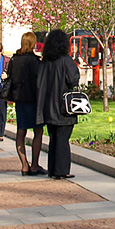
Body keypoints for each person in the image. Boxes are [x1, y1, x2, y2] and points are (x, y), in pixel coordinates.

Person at [36, 29, 81, 179]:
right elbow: (73, 80)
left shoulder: (45, 62)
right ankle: (62, 170)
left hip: (48, 106)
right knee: (63, 138)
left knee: (53, 138)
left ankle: (53, 169)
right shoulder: (66, 61)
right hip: (63, 107)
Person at [6, 31, 44, 175]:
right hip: (34, 100)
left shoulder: (14, 60)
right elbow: (39, 81)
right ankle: (34, 164)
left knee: (21, 131)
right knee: (38, 131)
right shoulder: (35, 61)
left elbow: (9, 77)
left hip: (20, 99)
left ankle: (24, 165)